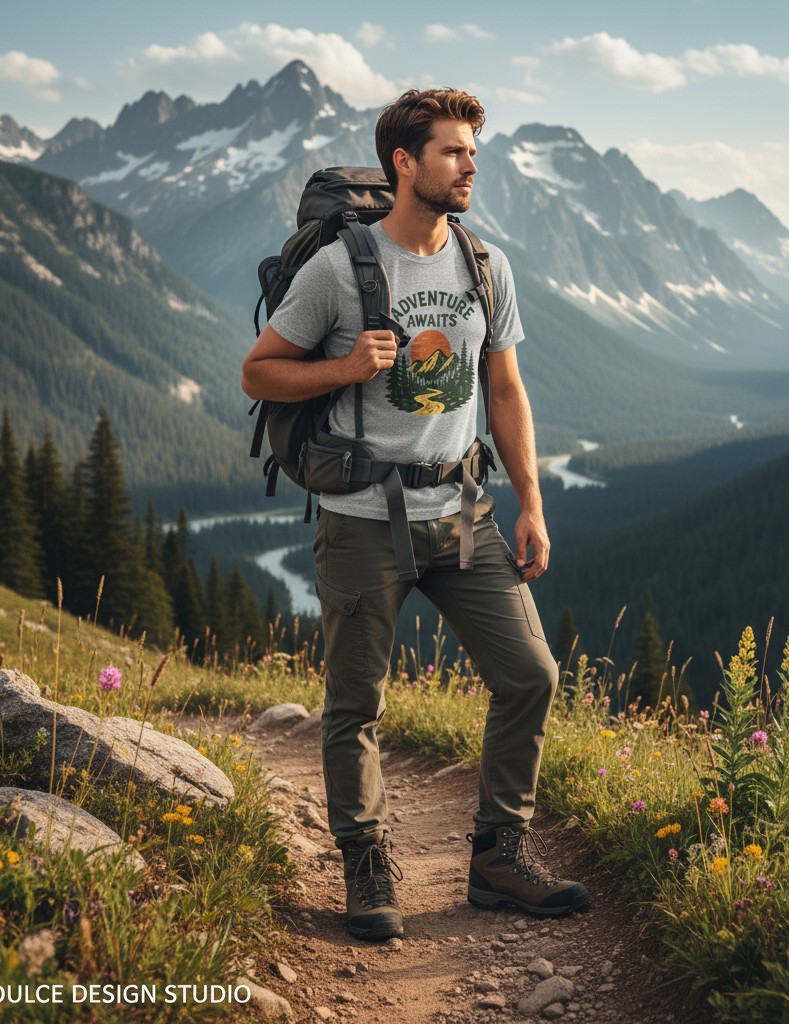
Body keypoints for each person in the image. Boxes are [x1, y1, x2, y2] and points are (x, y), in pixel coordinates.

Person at [241, 88, 588, 940]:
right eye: (454, 151)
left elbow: (504, 390)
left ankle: (499, 857)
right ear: (405, 163)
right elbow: (258, 371)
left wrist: (532, 502)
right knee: (356, 704)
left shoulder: (484, 264)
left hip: (463, 510)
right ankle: (366, 868)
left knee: (531, 675)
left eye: (473, 150)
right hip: (362, 517)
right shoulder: (339, 269)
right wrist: (343, 368)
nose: (472, 165)